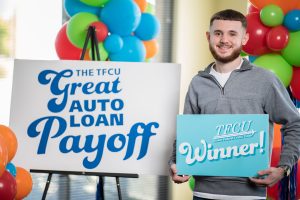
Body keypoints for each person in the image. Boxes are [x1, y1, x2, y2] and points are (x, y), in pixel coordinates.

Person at [169, 9, 300, 199]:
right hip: (202, 194)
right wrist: (175, 162)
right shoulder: (198, 82)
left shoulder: (265, 80)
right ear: (208, 37)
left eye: (232, 34)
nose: (224, 40)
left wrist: (283, 168)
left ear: (245, 38)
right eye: (218, 33)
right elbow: (186, 133)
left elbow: (294, 123)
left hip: (249, 195)